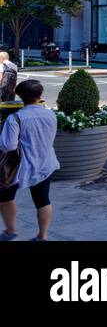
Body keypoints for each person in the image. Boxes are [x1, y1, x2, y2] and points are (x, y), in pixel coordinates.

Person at [0, 79, 59, 241]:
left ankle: (10, 232)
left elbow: (8, 146)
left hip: (19, 167)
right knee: (42, 200)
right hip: (45, 163)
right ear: (40, 95)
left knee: (5, 197)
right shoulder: (50, 114)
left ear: (20, 96)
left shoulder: (15, 119)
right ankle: (42, 236)